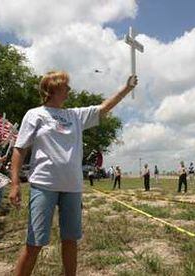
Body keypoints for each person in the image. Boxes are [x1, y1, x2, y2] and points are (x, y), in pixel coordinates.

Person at [9, 71, 137, 276]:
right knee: (35, 242)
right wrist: (15, 183)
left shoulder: (75, 115)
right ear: (52, 90)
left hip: (72, 188)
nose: (69, 90)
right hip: (44, 185)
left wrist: (127, 88)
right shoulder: (34, 114)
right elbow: (19, 149)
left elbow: (104, 108)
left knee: (70, 240)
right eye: (65, 86)